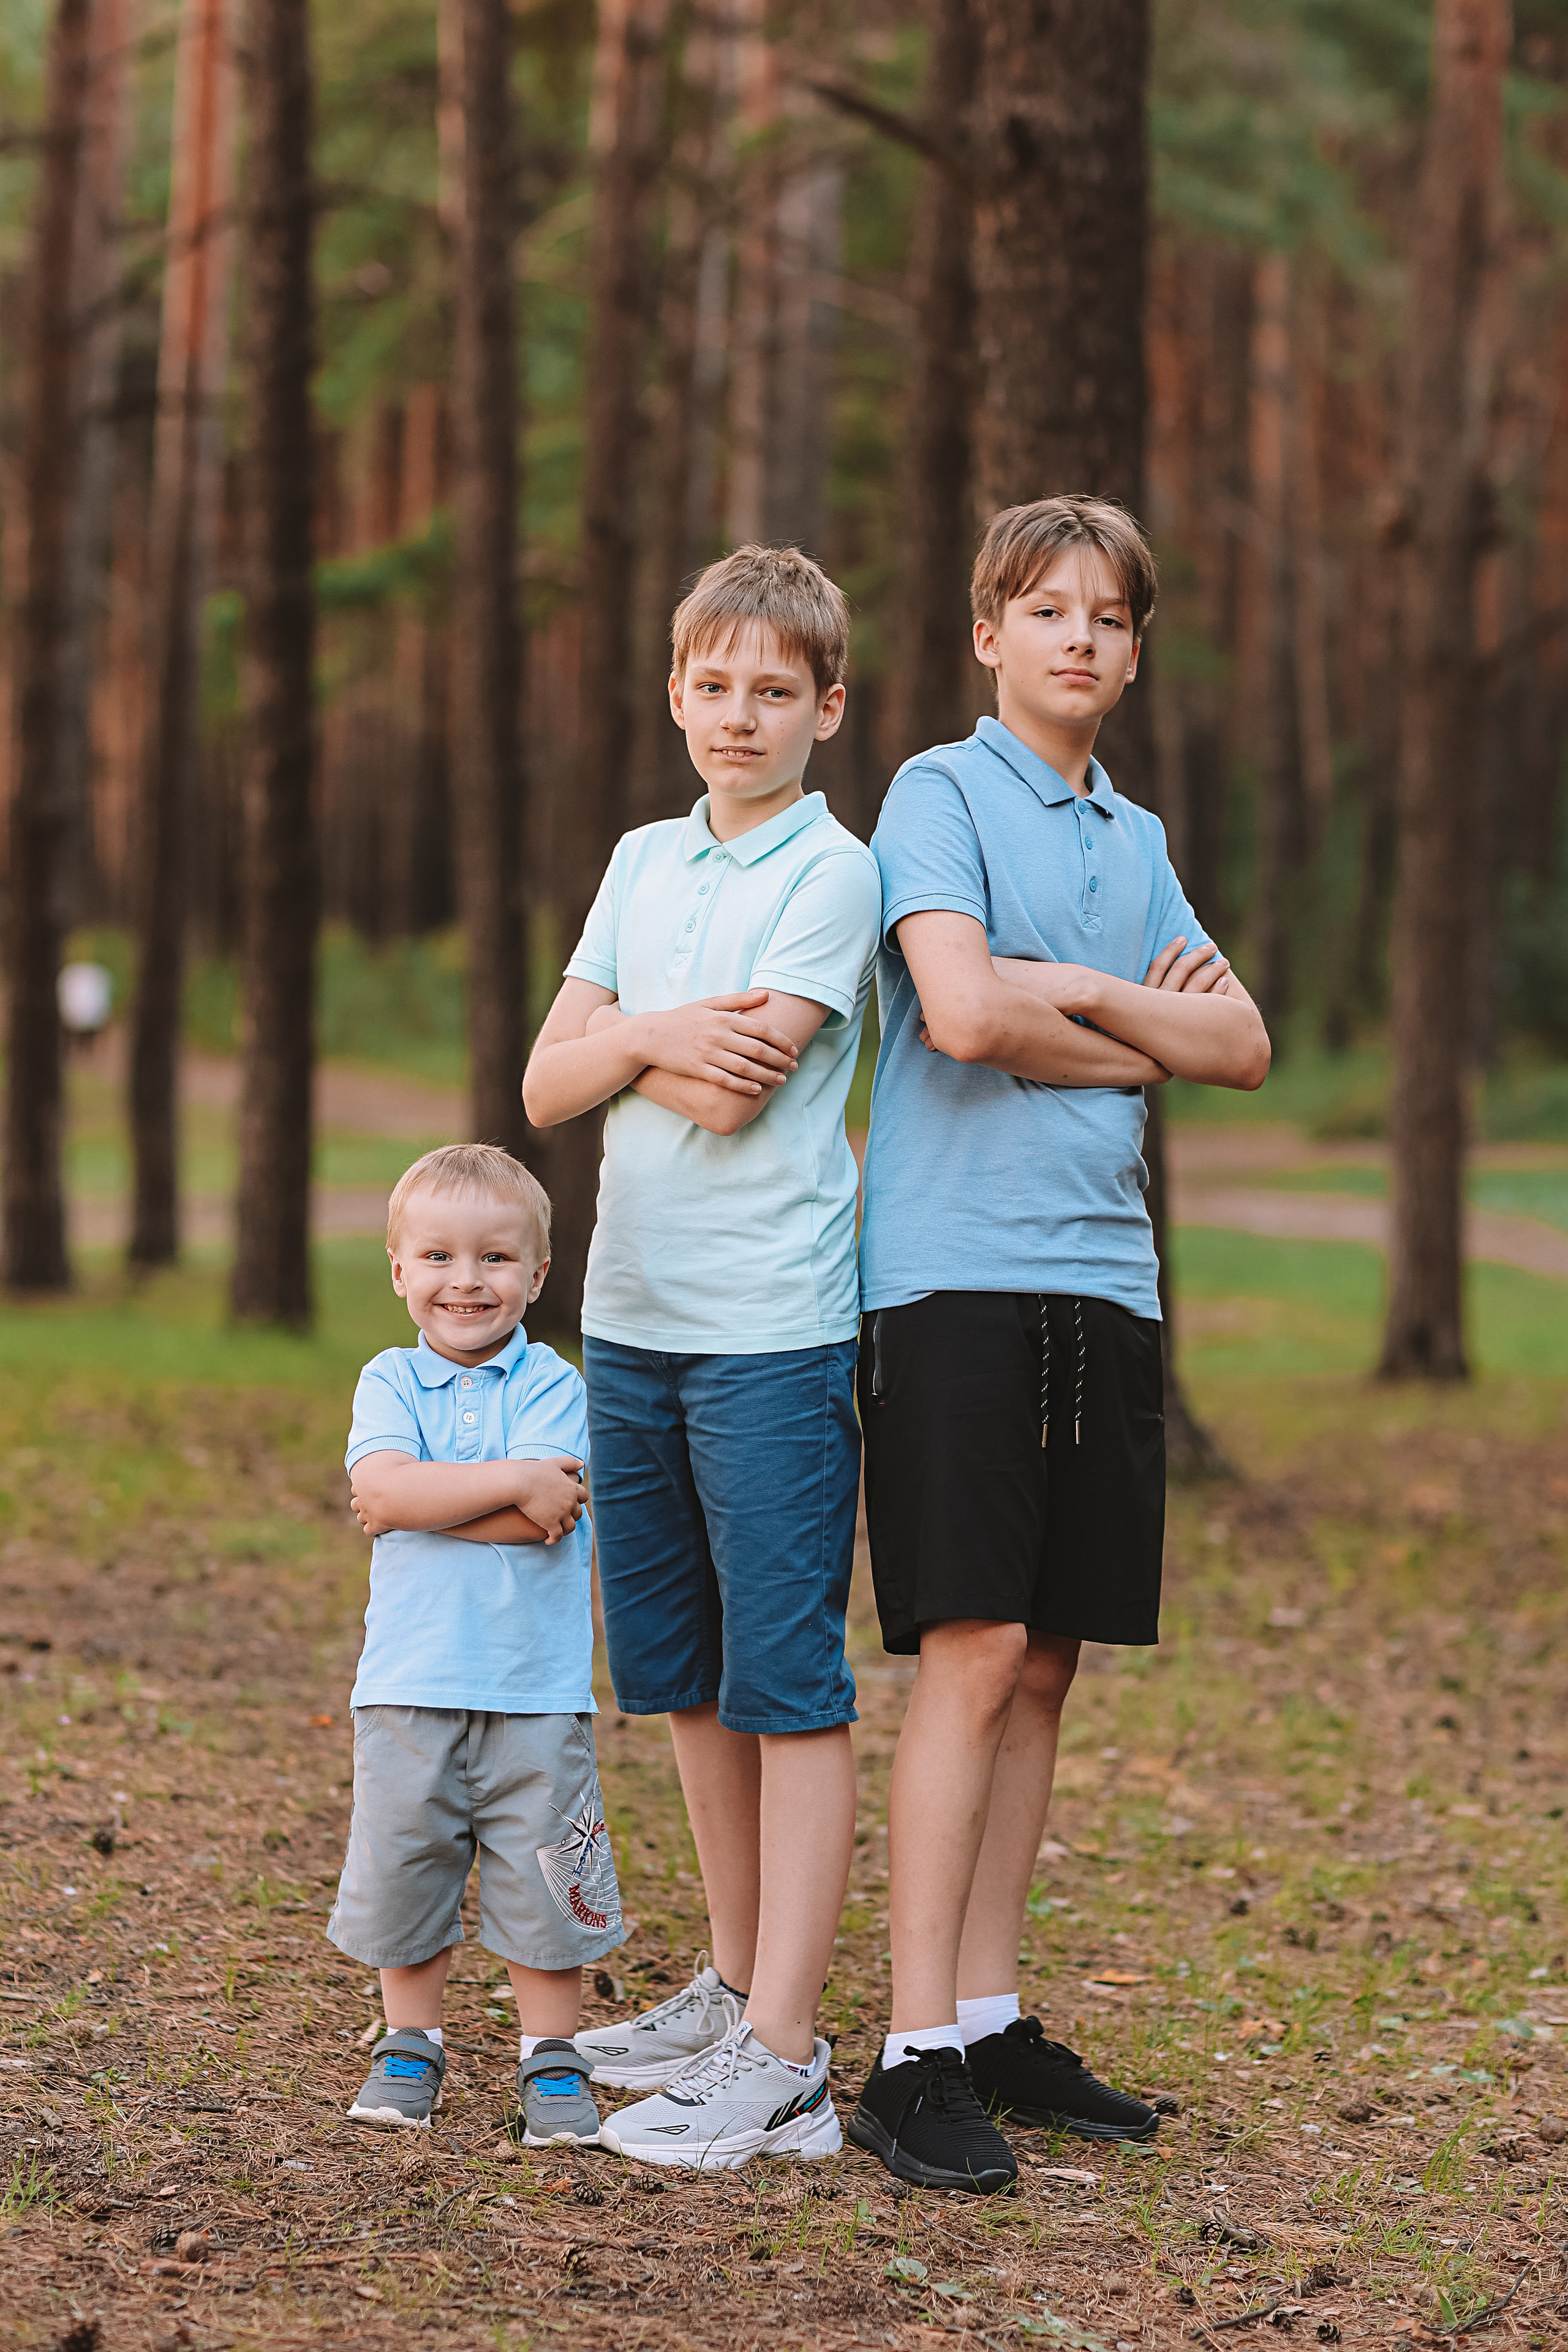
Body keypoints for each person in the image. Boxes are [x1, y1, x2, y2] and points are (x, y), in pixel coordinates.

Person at [847, 496, 1272, 2194]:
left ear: (1133, 649)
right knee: (971, 1643)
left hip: (1108, 1279)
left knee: (1049, 1659)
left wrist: (1076, 1002)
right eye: (1047, 610)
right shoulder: (935, 795)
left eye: (1109, 617)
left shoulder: (1139, 834)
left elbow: (1236, 1044)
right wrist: (1122, 1016)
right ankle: (906, 2050)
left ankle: (993, 2014)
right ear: (987, 635)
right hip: (954, 1273)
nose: (1080, 638)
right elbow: (956, 1012)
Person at [523, 544, 881, 2170]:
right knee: (677, 1678)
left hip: (771, 1331)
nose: (740, 715)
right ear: (677, 694)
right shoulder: (641, 859)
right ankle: (733, 1987)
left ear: (828, 708)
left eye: (773, 691)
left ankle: (789, 2061)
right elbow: (543, 1087)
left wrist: (619, 1051)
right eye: (713, 686)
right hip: (632, 1320)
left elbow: (740, 1096)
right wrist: (659, 1031)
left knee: (786, 1687)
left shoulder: (834, 872)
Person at [330, 1144, 622, 2143]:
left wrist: (423, 1502)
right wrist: (503, 1486)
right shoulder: (389, 1379)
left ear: (539, 1274)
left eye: (496, 1259)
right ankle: (411, 2039)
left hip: (536, 1689)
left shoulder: (555, 1381)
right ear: (400, 1268)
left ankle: (551, 2057)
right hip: (408, 1682)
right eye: (441, 1257)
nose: (467, 1281)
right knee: (409, 1860)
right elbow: (382, 1492)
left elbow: (547, 1513)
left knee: (546, 1873)